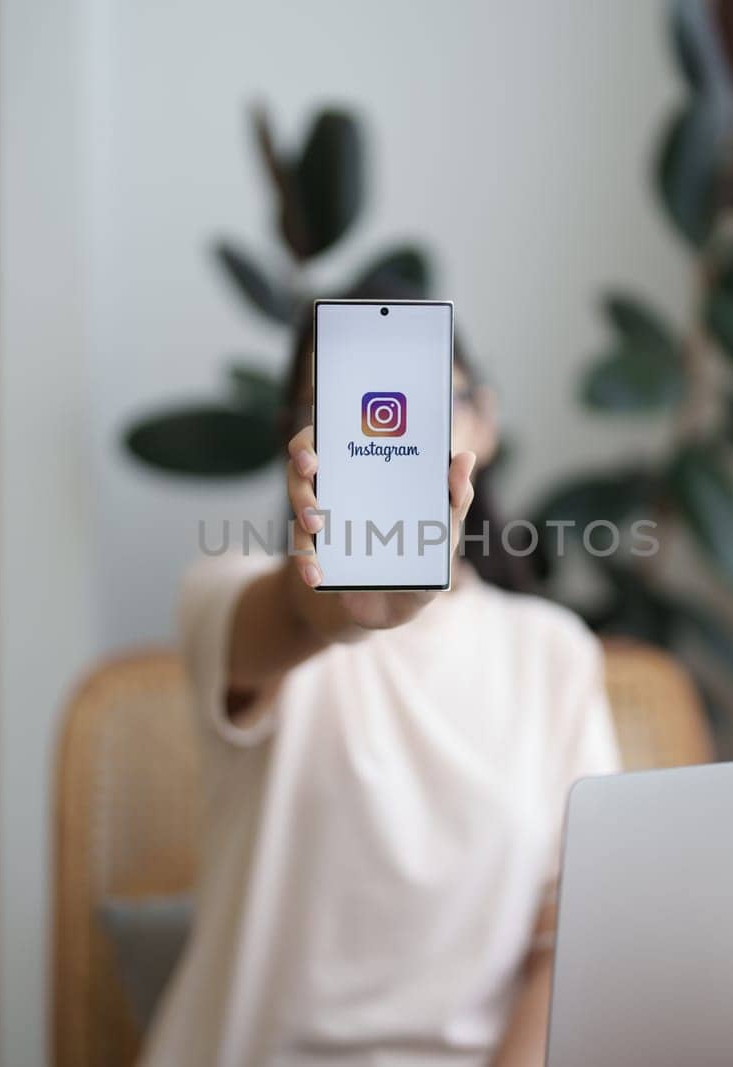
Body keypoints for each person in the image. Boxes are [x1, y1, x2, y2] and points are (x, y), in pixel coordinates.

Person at [142, 294, 621, 1066]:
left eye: (421, 395)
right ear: (296, 442)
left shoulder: (551, 654)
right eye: (334, 401)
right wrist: (338, 607)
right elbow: (300, 617)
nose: (381, 422)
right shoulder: (222, 597)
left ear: (483, 422)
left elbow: (569, 939)